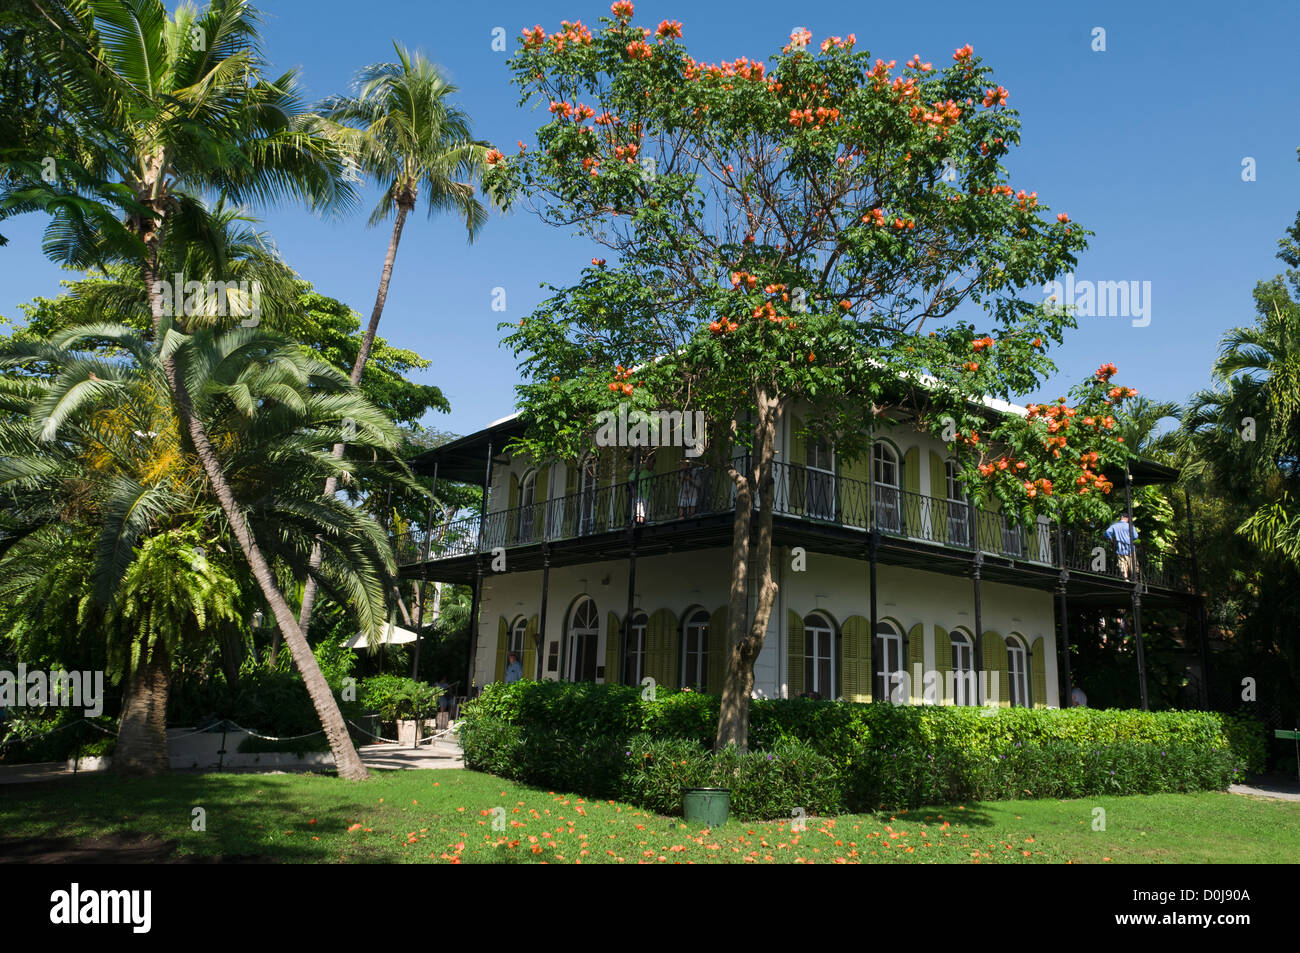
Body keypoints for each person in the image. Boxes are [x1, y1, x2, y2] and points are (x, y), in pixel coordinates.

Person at [1104, 513, 1139, 581]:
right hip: (1130, 547)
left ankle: (1126, 579)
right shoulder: (1130, 526)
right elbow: (1135, 536)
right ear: (1127, 518)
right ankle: (1134, 579)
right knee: (1132, 563)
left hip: (1120, 547)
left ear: (1121, 517)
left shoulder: (1115, 525)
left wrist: (1111, 538)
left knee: (1122, 563)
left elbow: (1107, 532)